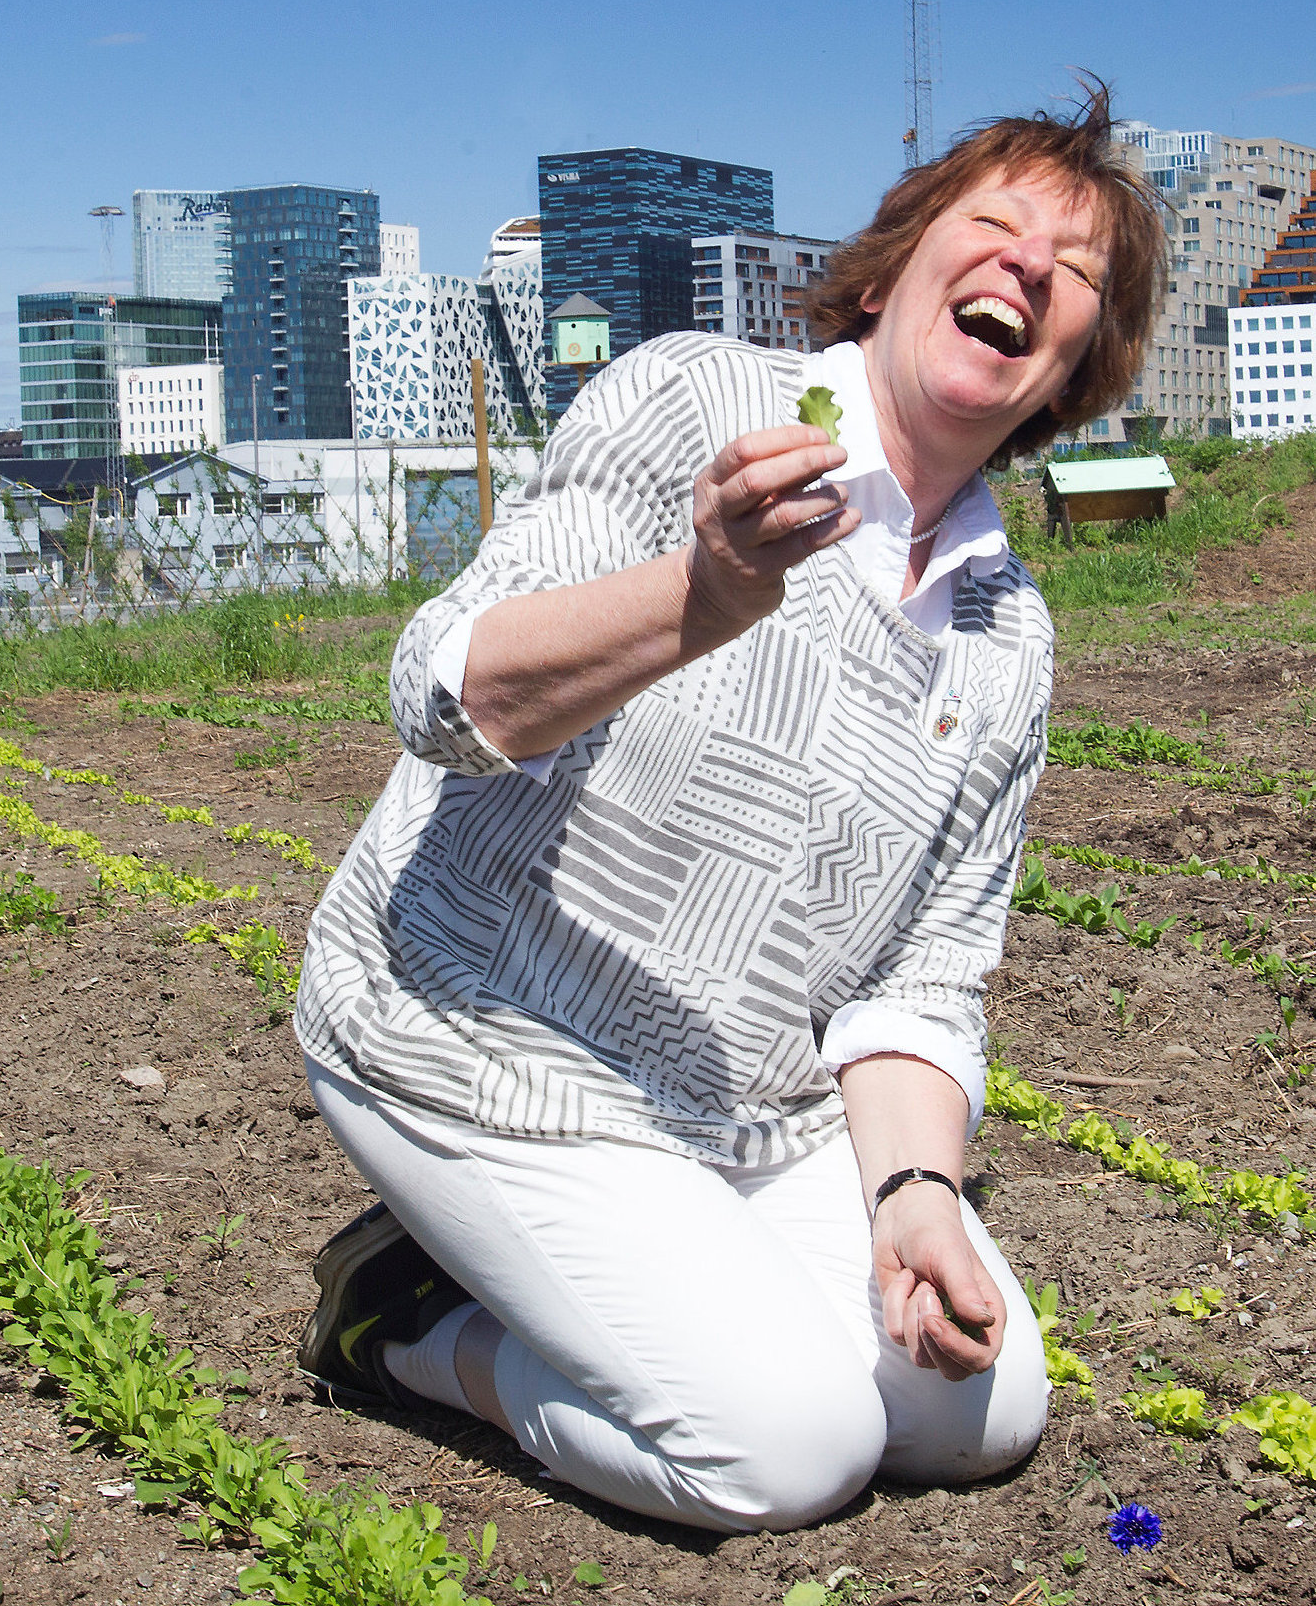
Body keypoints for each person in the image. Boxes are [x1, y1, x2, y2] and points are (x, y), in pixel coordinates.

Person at [293, 89, 1163, 1533]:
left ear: (1073, 368)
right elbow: (439, 696)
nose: (1025, 268)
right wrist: (701, 595)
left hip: (742, 1096)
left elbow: (918, 977)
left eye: (1071, 273)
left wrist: (912, 1195)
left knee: (979, 1407)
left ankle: (661, 1272)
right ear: (884, 273)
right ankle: (399, 1326)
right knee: (784, 1450)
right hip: (477, 1028)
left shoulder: (1008, 635)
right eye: (993, 226)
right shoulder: (697, 400)